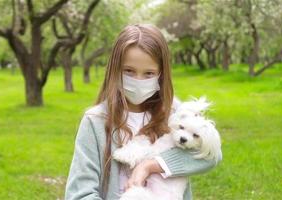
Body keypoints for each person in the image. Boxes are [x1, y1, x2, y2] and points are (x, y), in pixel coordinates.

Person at [64, 23, 222, 200]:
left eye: (148, 73)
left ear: (161, 74)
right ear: (115, 70)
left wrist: (149, 166)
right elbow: (79, 193)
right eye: (129, 71)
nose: (138, 80)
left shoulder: (175, 113)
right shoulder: (96, 121)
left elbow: (211, 155)